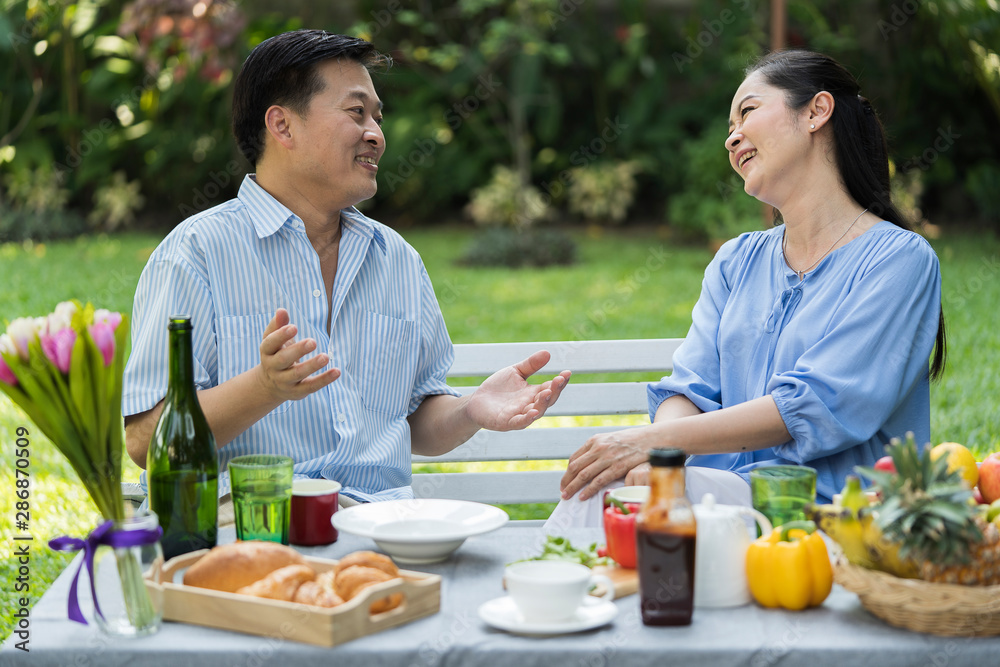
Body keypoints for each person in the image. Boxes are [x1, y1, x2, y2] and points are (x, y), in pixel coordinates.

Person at [123, 30, 570, 513]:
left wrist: (471, 410)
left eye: (377, 116)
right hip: (251, 528)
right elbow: (147, 441)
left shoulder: (397, 259)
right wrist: (264, 387)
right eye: (356, 112)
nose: (376, 133)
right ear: (282, 126)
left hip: (383, 527)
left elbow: (418, 420)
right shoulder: (196, 253)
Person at [549, 50, 945, 528]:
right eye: (729, 124)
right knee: (607, 488)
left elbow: (816, 406)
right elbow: (688, 389)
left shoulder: (899, 260)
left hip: (830, 519)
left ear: (817, 111)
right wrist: (657, 464)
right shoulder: (736, 261)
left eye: (748, 111)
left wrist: (648, 443)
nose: (731, 137)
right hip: (718, 504)